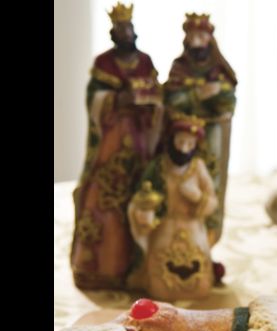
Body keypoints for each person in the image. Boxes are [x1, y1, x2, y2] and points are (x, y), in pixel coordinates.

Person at [70, 2, 164, 289]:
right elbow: (94, 99)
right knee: (103, 200)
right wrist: (114, 100)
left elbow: (157, 95)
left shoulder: (145, 61)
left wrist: (146, 101)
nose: (126, 33)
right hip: (111, 139)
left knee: (140, 196)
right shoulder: (104, 64)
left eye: (129, 28)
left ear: (134, 32)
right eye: (120, 29)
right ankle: (100, 267)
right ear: (113, 33)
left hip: (138, 139)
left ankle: (138, 267)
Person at [164, 13, 237, 246]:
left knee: (208, 178)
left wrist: (217, 95)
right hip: (182, 135)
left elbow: (227, 103)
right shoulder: (179, 68)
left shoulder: (220, 70)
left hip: (211, 133)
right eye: (192, 36)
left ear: (209, 39)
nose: (196, 42)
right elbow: (171, 99)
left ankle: (208, 230)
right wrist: (198, 95)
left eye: (201, 36)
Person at [127, 114, 218, 301]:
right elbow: (141, 196)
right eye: (181, 142)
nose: (184, 148)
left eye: (189, 144)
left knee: (198, 275)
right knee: (160, 277)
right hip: (166, 227)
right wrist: (143, 211)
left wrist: (198, 197)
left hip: (192, 227)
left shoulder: (198, 167)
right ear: (172, 140)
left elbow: (213, 201)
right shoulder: (158, 167)